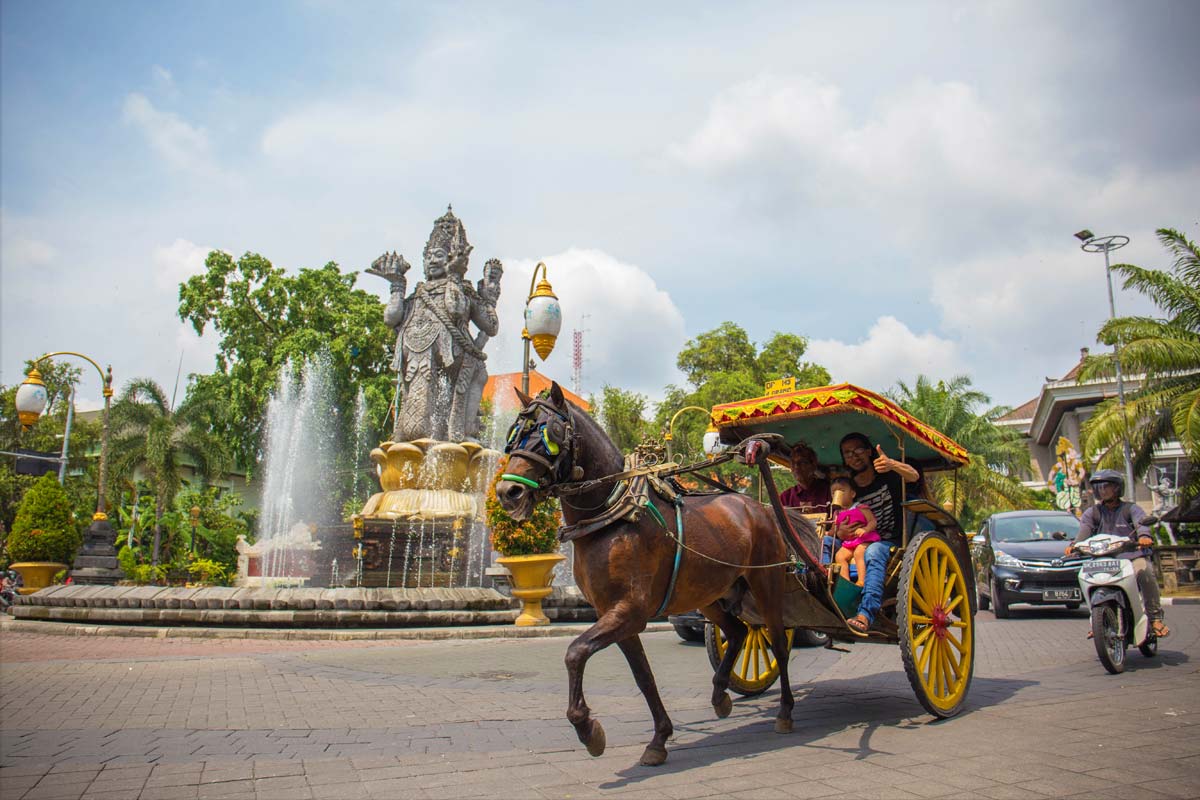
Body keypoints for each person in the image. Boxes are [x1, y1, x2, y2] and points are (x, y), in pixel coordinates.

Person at [1067, 468, 1169, 638]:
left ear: (1117, 488)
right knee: (1084, 577)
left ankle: (1155, 618)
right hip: (1103, 560)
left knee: (1145, 573)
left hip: (1131, 558)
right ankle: (1097, 621)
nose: (1102, 490)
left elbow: (1141, 524)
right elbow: (1083, 532)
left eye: (1106, 486)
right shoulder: (1092, 513)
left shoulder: (1131, 509)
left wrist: (1143, 536)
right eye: (1098, 487)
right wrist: (1074, 545)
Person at [837, 432, 919, 633]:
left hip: (890, 540)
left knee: (873, 551)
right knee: (826, 546)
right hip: (856, 542)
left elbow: (914, 476)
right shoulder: (850, 488)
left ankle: (866, 612)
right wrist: (840, 533)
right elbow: (840, 518)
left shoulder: (888, 474)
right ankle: (835, 600)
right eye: (847, 453)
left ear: (869, 451)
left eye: (857, 450)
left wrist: (892, 464)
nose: (853, 456)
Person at [832, 504, 879, 587]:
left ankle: (861, 581)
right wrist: (835, 532)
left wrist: (866, 529)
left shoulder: (860, 507)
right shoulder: (837, 513)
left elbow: (872, 521)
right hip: (850, 541)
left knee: (859, 552)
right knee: (839, 556)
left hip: (865, 538)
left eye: (842, 490)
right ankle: (845, 582)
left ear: (852, 494)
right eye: (833, 492)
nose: (837, 493)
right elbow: (834, 530)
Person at [779, 442, 831, 513]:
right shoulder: (785, 497)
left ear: (813, 465)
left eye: (802, 462)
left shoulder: (829, 491)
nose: (797, 467)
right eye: (793, 463)